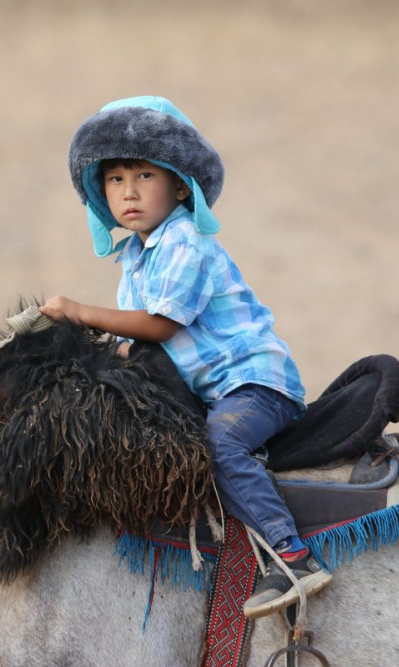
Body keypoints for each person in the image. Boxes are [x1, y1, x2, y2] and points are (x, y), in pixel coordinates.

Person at [40, 95, 331, 619]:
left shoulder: (186, 241)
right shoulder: (135, 256)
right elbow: (138, 344)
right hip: (210, 389)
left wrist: (80, 312)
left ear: (178, 184)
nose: (128, 192)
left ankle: (294, 558)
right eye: (114, 179)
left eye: (144, 176)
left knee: (221, 445)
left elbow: (160, 323)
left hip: (254, 385)